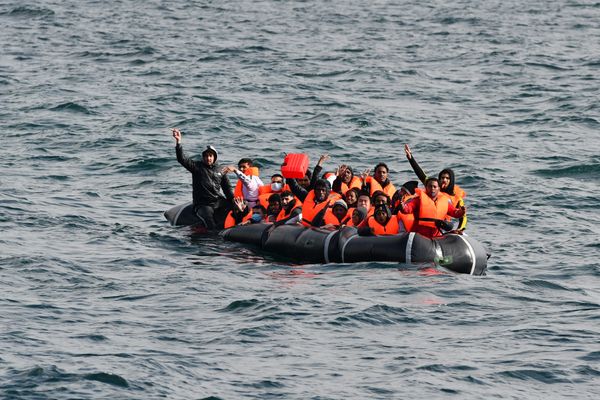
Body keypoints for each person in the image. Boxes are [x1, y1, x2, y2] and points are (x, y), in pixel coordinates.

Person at [171, 128, 233, 229]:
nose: (208, 158)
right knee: (210, 222)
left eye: (210, 156)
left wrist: (234, 201)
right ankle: (213, 240)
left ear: (214, 157)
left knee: (234, 208)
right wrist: (178, 142)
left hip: (218, 201)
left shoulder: (221, 169)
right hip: (203, 204)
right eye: (206, 156)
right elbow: (182, 159)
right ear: (203, 157)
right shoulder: (197, 167)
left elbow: (227, 189)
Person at [404, 144, 467, 230]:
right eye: (442, 178)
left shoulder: (458, 199)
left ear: (451, 180)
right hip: (424, 227)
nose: (444, 180)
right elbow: (420, 174)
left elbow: (462, 217)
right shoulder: (433, 186)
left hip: (443, 228)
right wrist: (411, 158)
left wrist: (459, 230)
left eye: (447, 178)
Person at [400, 177, 466, 238]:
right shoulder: (418, 200)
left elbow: (455, 213)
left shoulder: (444, 202)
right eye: (430, 186)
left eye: (435, 187)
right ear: (426, 188)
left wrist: (461, 212)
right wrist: (402, 206)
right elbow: (407, 209)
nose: (432, 189)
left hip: (436, 236)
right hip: (419, 236)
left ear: (439, 189)